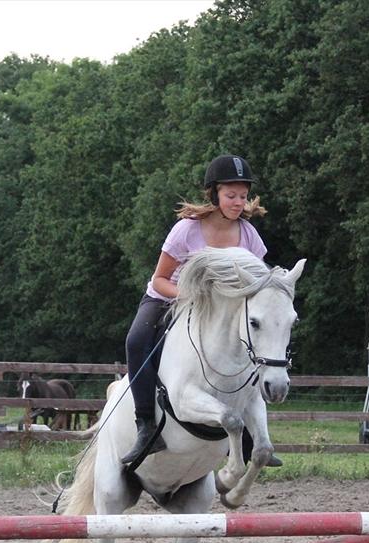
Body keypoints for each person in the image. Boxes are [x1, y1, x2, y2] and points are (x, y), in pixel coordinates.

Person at [120, 154, 280, 467]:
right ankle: (145, 426)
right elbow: (160, 279)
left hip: (223, 309)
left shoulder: (248, 234)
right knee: (136, 341)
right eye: (231, 195)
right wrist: (191, 297)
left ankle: (250, 439)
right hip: (170, 297)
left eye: (243, 197)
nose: (237, 202)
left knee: (250, 346)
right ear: (215, 194)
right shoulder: (186, 230)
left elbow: (260, 281)